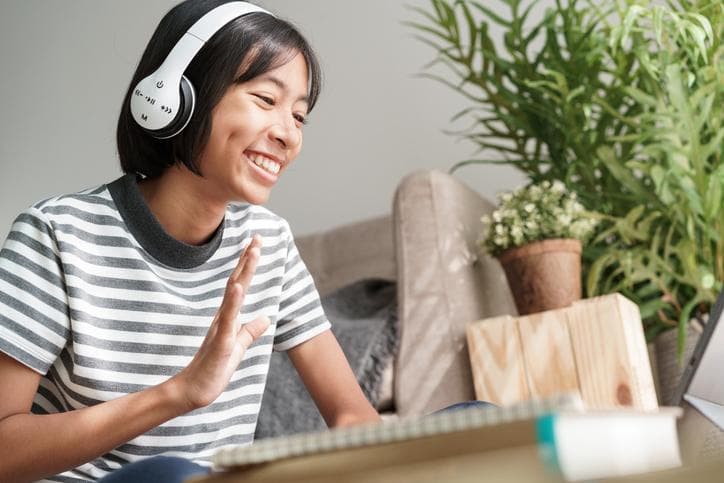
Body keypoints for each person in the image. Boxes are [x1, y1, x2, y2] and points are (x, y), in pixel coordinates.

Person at [0, 1, 381, 482]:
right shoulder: (56, 235)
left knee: (475, 416)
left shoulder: (270, 244)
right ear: (174, 97)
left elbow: (353, 418)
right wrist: (180, 393)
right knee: (173, 474)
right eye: (266, 99)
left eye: (300, 116)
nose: (288, 134)